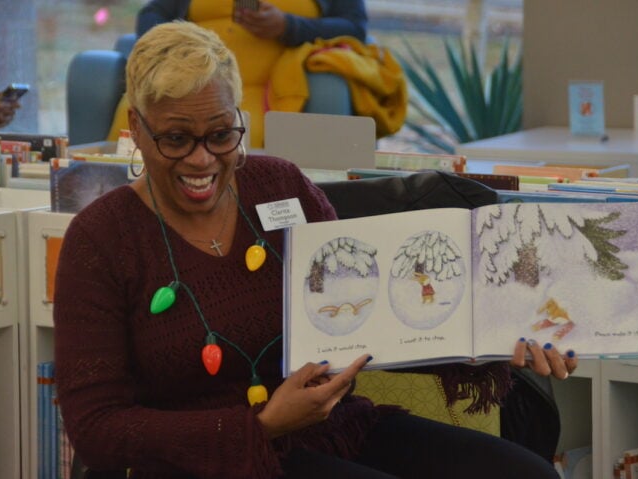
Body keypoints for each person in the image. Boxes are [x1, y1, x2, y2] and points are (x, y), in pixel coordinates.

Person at [54, 21, 577, 479]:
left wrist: (487, 335)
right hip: (192, 462)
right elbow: (96, 430)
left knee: (522, 473)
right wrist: (259, 426)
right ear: (136, 133)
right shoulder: (101, 239)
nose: (202, 160)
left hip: (327, 430)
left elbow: (373, 317)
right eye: (176, 139)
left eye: (220, 135)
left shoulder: (280, 185)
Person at [106, 0, 372, 148]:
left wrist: (289, 26)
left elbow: (354, 27)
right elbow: (153, 13)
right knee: (133, 119)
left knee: (237, 135)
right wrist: (174, 44)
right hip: (181, 77)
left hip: (264, 88)